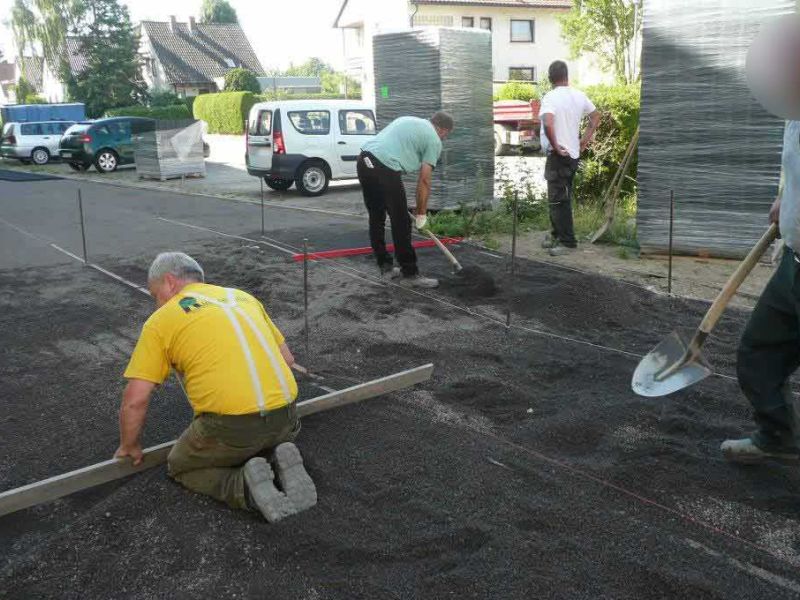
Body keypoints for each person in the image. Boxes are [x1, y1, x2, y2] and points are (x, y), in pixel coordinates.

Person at [114, 252, 316, 522]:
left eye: (155, 295)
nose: (156, 303)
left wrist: (130, 445)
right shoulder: (243, 298)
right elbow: (287, 360)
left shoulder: (162, 320)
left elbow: (135, 399)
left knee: (180, 465)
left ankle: (243, 487)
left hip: (232, 427)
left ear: (170, 282)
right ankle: (276, 456)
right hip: (287, 417)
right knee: (257, 437)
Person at [722, 16, 800, 464]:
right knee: (758, 351)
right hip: (793, 260)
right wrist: (785, 198)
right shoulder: (792, 110)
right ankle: (778, 437)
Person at [357, 111, 455, 288]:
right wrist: (421, 213)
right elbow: (424, 180)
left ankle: (385, 267)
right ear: (442, 130)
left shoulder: (408, 119)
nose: (444, 139)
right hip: (383, 166)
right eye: (446, 135)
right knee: (401, 221)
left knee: (377, 216)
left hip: (364, 160)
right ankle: (409, 274)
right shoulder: (433, 139)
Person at [539, 60, 601, 256]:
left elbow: (548, 123)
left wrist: (556, 146)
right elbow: (595, 116)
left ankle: (568, 242)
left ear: (551, 79)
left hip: (559, 155)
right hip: (572, 154)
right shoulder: (579, 95)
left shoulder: (550, 97)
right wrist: (584, 140)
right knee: (560, 197)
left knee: (558, 200)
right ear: (567, 76)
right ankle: (557, 235)